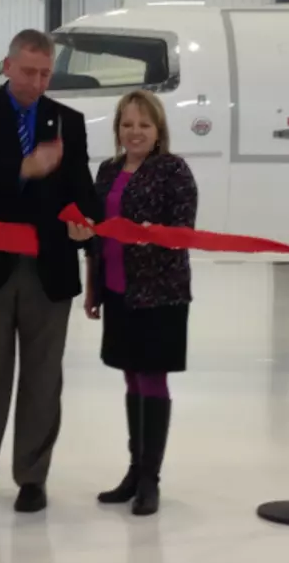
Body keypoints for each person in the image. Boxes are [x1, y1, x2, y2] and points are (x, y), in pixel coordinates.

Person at [0, 28, 102, 513]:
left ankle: (32, 478)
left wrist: (86, 222)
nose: (37, 81)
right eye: (29, 71)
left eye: (45, 73)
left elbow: (81, 187)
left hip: (49, 268)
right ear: (7, 67)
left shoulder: (67, 121)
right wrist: (27, 167)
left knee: (42, 377)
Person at [81, 89, 198, 516]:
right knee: (131, 378)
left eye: (144, 125)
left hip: (159, 294)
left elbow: (183, 231)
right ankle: (134, 470)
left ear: (158, 130)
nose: (135, 132)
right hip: (116, 290)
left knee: (152, 379)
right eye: (127, 124)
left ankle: (151, 478)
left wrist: (148, 232)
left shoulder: (173, 171)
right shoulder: (107, 171)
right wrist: (93, 287)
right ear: (117, 129)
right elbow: (96, 233)